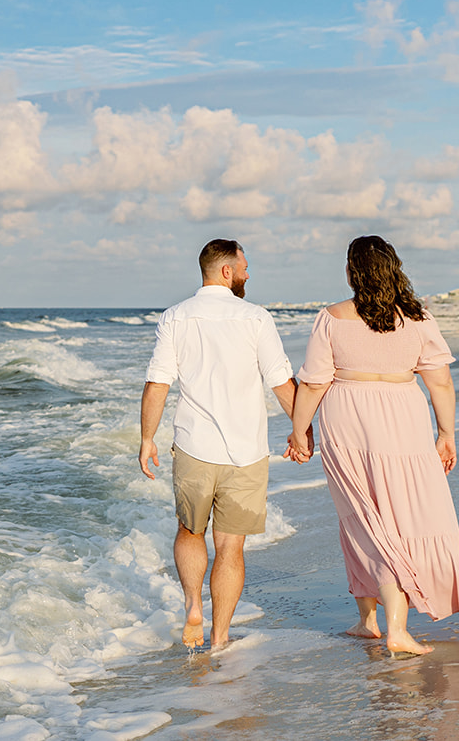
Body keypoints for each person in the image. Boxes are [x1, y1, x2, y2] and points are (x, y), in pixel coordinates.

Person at [287, 235, 459, 658]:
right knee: (403, 518)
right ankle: (371, 623)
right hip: (404, 417)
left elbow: (313, 383)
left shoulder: (332, 317)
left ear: (352, 271)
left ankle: (388, 626)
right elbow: (439, 380)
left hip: (348, 419)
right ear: (394, 268)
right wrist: (446, 433)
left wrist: (298, 431)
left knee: (362, 517)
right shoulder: (419, 319)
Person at [139, 239, 298, 652]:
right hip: (245, 452)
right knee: (230, 546)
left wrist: (146, 439)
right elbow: (280, 380)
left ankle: (193, 605)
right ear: (226, 271)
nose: (248, 273)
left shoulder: (176, 316)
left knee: (190, 531)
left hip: (193, 446)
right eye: (244, 266)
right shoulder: (256, 318)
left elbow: (158, 382)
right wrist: (302, 430)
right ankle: (220, 635)